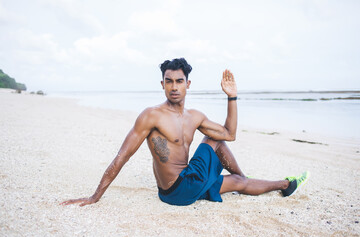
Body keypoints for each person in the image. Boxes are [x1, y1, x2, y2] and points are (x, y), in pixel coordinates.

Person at [61, 58, 309, 206]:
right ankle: (241, 177)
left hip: (183, 188)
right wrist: (95, 196)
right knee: (213, 140)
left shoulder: (194, 117)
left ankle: (285, 184)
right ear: (162, 84)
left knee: (238, 181)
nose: (174, 87)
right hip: (176, 189)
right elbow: (122, 156)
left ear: (188, 84)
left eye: (179, 81)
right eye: (168, 81)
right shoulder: (151, 115)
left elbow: (230, 134)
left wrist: (232, 97)